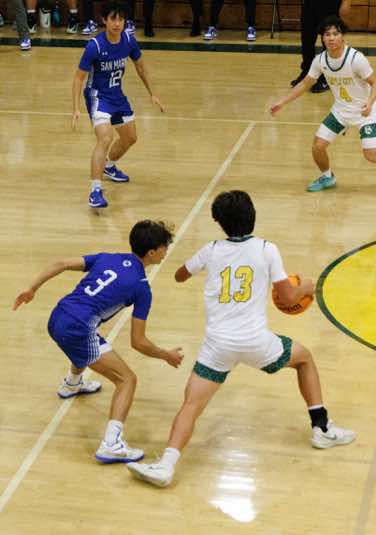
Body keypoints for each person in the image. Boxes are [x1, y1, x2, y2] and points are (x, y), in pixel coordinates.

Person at [127, 190, 356, 488]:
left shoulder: (211, 249)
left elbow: (179, 276)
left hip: (218, 345)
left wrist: (202, 267)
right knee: (304, 359)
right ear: (253, 216)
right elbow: (288, 297)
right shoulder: (267, 249)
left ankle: (166, 466)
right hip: (256, 343)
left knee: (191, 405)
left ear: (219, 222)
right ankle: (322, 429)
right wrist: (306, 287)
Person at [14, 220, 184, 464]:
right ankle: (111, 445)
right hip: (77, 329)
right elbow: (138, 342)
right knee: (127, 380)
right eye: (164, 247)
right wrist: (165, 355)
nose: (166, 250)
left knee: (89, 346)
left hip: (57, 316)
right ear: (151, 252)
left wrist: (32, 288)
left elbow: (61, 263)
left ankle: (72, 384)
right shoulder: (141, 288)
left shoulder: (109, 258)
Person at [270, 16, 376, 192]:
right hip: (341, 111)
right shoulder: (320, 60)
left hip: (365, 111)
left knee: (371, 155)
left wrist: (369, 102)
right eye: (327, 34)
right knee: (318, 146)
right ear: (322, 38)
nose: (331, 38)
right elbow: (305, 84)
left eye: (335, 34)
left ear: (342, 36)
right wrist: (282, 102)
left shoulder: (356, 59)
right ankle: (327, 177)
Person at [72, 1, 164, 209]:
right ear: (104, 20)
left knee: (130, 138)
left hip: (117, 95)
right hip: (97, 96)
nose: (117, 23)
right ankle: (95, 191)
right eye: (113, 19)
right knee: (105, 138)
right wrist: (76, 107)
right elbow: (78, 78)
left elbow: (140, 66)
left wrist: (153, 93)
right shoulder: (94, 46)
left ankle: (109, 166)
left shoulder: (128, 40)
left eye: (121, 19)